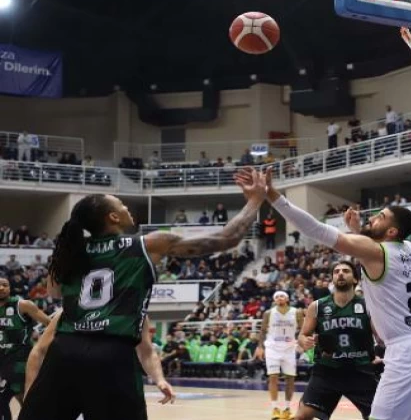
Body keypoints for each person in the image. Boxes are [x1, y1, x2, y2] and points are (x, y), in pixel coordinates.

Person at [20, 169, 265, 420]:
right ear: (113, 217)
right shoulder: (147, 244)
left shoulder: (72, 251)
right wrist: (255, 200)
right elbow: (226, 238)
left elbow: (54, 291)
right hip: (111, 353)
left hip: (65, 350)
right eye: (121, 205)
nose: (127, 207)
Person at [254, 167, 411, 420]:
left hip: (409, 347)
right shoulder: (410, 248)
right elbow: (376, 256)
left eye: (381, 216)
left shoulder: (378, 251)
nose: (373, 218)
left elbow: (316, 229)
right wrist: (358, 232)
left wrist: (271, 194)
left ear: (391, 232)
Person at [25, 312, 176, 419]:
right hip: (65, 380)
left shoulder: (136, 313)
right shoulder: (69, 310)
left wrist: (160, 379)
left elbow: (147, 352)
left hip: (110, 384)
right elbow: (38, 351)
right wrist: (30, 390)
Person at [295, 261, 378, 420]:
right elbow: (303, 334)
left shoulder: (367, 305)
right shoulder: (317, 306)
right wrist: (304, 340)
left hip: (360, 370)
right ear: (332, 279)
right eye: (336, 271)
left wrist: (381, 353)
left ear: (355, 280)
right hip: (327, 370)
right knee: (302, 416)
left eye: (346, 271)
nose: (340, 273)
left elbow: (381, 338)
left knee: (379, 416)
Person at [0, 278, 50, 420]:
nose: (2, 288)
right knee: (21, 399)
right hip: (3, 358)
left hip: (20, 358)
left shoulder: (22, 305)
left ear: (10, 288)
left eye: (5, 285)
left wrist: (42, 345)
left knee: (15, 397)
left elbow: (49, 323)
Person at [256, 291, 304, 420]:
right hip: (272, 347)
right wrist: (260, 347)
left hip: (289, 348)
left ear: (287, 298)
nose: (279, 298)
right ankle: (275, 408)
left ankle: (287, 409)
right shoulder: (268, 313)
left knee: (290, 378)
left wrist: (302, 342)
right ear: (274, 300)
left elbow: (303, 328)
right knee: (273, 377)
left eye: (281, 296)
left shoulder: (296, 312)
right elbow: (262, 330)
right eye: (276, 296)